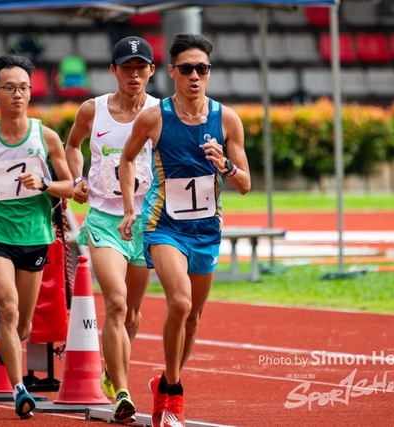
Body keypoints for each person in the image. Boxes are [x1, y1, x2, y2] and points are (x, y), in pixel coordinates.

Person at [118, 33, 251, 427]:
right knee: (180, 304)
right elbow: (127, 159)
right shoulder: (154, 117)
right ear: (172, 71)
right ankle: (174, 395)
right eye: (188, 68)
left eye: (202, 69)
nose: (195, 76)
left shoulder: (227, 119)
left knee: (193, 318)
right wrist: (130, 207)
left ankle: (164, 381)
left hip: (206, 231)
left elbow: (245, 184)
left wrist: (225, 165)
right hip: (164, 227)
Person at [0, 54, 73, 420]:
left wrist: (45, 183)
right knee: (7, 306)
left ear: (30, 92)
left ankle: (11, 343)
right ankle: (19, 389)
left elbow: (71, 187)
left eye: (23, 88)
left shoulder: (46, 137)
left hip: (34, 233)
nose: (17, 94)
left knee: (23, 323)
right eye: (9, 88)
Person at [65, 36, 157, 423]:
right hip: (104, 219)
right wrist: (77, 180)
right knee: (116, 303)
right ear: (113, 70)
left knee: (132, 315)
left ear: (152, 70)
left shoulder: (160, 112)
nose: (134, 74)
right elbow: (73, 146)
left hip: (146, 222)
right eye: (126, 67)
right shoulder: (93, 110)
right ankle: (122, 393)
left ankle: (111, 368)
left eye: (140, 67)